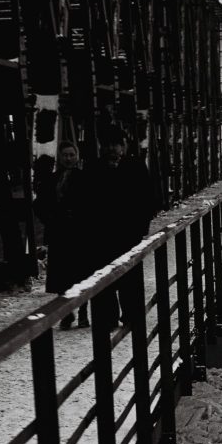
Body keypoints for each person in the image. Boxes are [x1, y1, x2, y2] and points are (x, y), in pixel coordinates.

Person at [86, 129, 156, 328]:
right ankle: (107, 318)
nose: (111, 149)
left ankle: (131, 315)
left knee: (130, 275)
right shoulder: (94, 167)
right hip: (102, 233)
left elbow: (147, 198)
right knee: (103, 275)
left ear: (124, 146)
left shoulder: (135, 166)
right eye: (107, 145)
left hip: (128, 232)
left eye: (116, 144)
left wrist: (141, 227)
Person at [34, 140, 92, 328]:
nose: (68, 158)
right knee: (62, 276)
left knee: (80, 274)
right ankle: (67, 313)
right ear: (59, 157)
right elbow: (39, 205)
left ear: (77, 157)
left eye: (71, 155)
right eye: (65, 155)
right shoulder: (52, 180)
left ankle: (82, 312)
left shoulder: (85, 179)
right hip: (59, 233)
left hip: (80, 234)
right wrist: (50, 219)